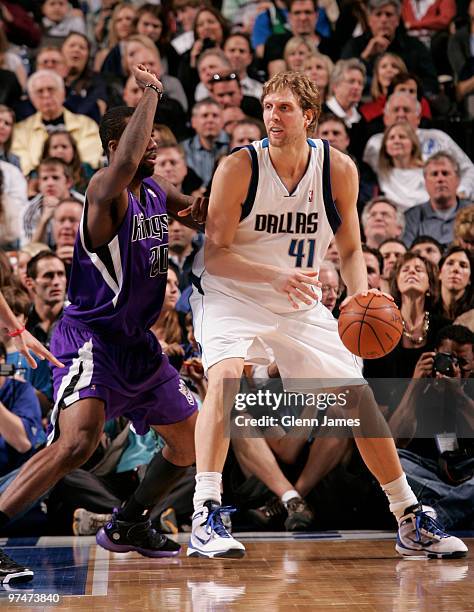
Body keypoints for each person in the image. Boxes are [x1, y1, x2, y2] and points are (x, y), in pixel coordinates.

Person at [188, 71, 467, 559]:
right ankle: (205, 511)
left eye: (285, 108)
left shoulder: (337, 169)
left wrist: (361, 298)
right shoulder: (239, 167)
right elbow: (214, 255)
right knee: (227, 378)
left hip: (297, 299)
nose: (273, 116)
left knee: (358, 397)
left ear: (310, 116)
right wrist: (272, 276)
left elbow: (353, 248)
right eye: (268, 107)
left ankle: (407, 516)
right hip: (231, 294)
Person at [0, 64, 206, 584]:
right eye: (147, 140)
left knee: (190, 442)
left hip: (137, 345)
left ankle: (131, 522)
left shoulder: (156, 193)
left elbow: (200, 212)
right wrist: (152, 92)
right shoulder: (103, 190)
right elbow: (131, 157)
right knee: (77, 443)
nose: (155, 150)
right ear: (117, 145)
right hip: (91, 338)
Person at [402, 153, 471, 248]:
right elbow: (407, 255)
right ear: (425, 182)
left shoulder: (471, 212)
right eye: (434, 174)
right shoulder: (411, 217)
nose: (440, 179)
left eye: (445, 173)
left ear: (458, 180)